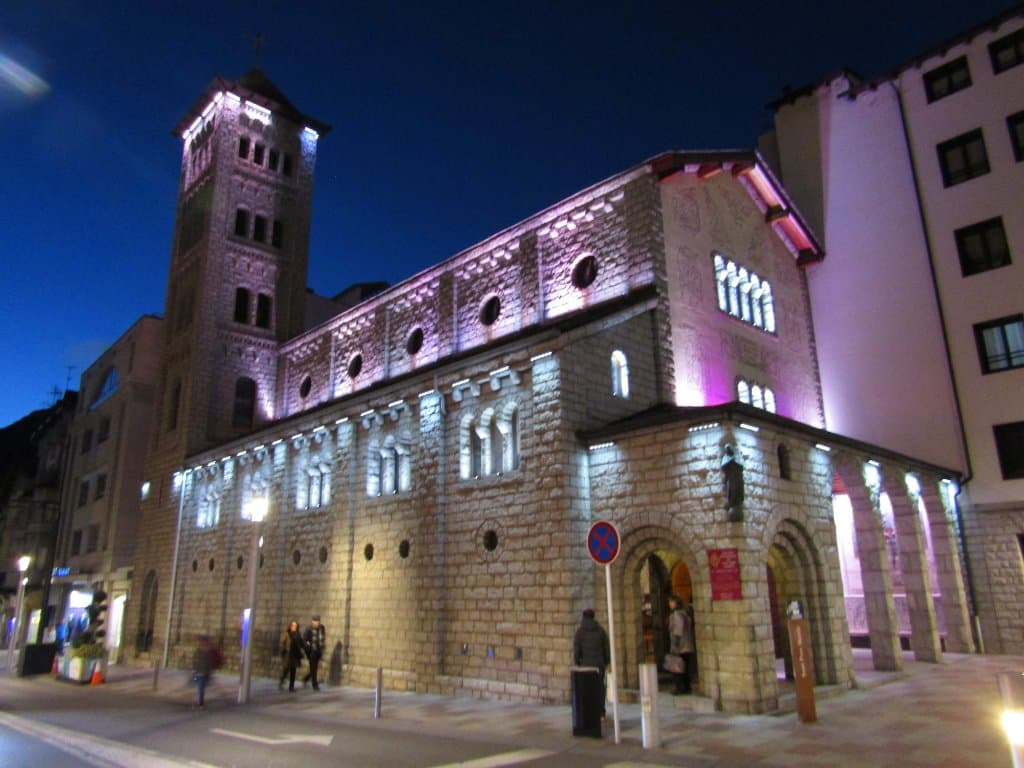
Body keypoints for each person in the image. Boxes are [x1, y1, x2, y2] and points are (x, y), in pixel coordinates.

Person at [573, 608, 611, 715]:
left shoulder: (579, 632)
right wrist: (607, 661)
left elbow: (577, 650)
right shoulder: (601, 631)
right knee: (599, 688)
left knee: (587, 689)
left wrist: (577, 662)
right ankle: (600, 711)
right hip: (599, 665)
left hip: (585, 666)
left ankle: (589, 711)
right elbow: (606, 648)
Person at [668, 594, 694, 694]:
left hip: (680, 646)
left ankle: (680, 688)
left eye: (671, 602)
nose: (669, 604)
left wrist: (675, 645)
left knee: (678, 668)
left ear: (675, 603)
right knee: (685, 668)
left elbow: (678, 630)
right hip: (687, 645)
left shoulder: (677, 614)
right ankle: (687, 687)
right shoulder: (685, 613)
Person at [278, 620, 305, 692]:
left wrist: (305, 645)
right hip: (288, 655)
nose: (294, 627)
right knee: (286, 669)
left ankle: (291, 686)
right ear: (290, 626)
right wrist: (283, 650)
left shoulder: (298, 635)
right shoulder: (287, 634)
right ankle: (282, 680)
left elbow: (301, 643)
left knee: (293, 671)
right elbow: (283, 643)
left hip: (295, 655)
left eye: (295, 626)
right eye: (292, 626)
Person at [191, 634, 216, 708]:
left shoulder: (207, 651)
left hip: (202, 673)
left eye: (202, 640)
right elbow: (195, 660)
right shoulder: (199, 650)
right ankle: (200, 702)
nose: (200, 642)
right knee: (199, 686)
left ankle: (200, 703)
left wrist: (208, 672)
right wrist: (194, 669)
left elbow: (209, 662)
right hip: (198, 672)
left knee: (200, 687)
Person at [302, 614, 326, 690]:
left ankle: (306, 679)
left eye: (318, 621)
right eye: (316, 621)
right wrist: (308, 645)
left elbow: (322, 638)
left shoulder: (321, 628)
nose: (317, 623)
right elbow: (305, 640)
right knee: (313, 667)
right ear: (312, 621)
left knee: (314, 668)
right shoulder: (309, 629)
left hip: (318, 651)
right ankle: (314, 684)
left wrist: (322, 647)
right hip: (311, 651)